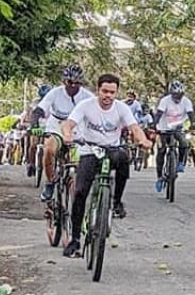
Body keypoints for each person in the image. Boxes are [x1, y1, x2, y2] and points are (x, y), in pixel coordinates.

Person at [60, 73, 151, 256]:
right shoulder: (85, 106)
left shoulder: (122, 108)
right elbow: (68, 123)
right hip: (90, 151)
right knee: (80, 193)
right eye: (105, 91)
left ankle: (116, 201)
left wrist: (143, 140)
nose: (108, 96)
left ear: (116, 93)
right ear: (98, 90)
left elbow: (134, 128)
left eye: (112, 92)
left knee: (124, 159)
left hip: (112, 150)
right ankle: (75, 239)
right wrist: (67, 134)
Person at [31, 65, 94, 202]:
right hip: (57, 127)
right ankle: (50, 182)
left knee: (85, 158)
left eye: (77, 83)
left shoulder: (87, 96)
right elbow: (39, 110)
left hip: (77, 129)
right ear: (64, 81)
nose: (73, 86)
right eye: (69, 82)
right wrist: (34, 124)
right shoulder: (55, 93)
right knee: (49, 149)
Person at [153, 80, 195, 190]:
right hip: (164, 128)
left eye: (180, 96)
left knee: (184, 142)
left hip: (178, 128)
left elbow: (191, 115)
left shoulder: (186, 102)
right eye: (175, 96)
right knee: (161, 150)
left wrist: (193, 125)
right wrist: (154, 125)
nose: (177, 99)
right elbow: (159, 114)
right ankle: (159, 177)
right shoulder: (165, 101)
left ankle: (180, 162)